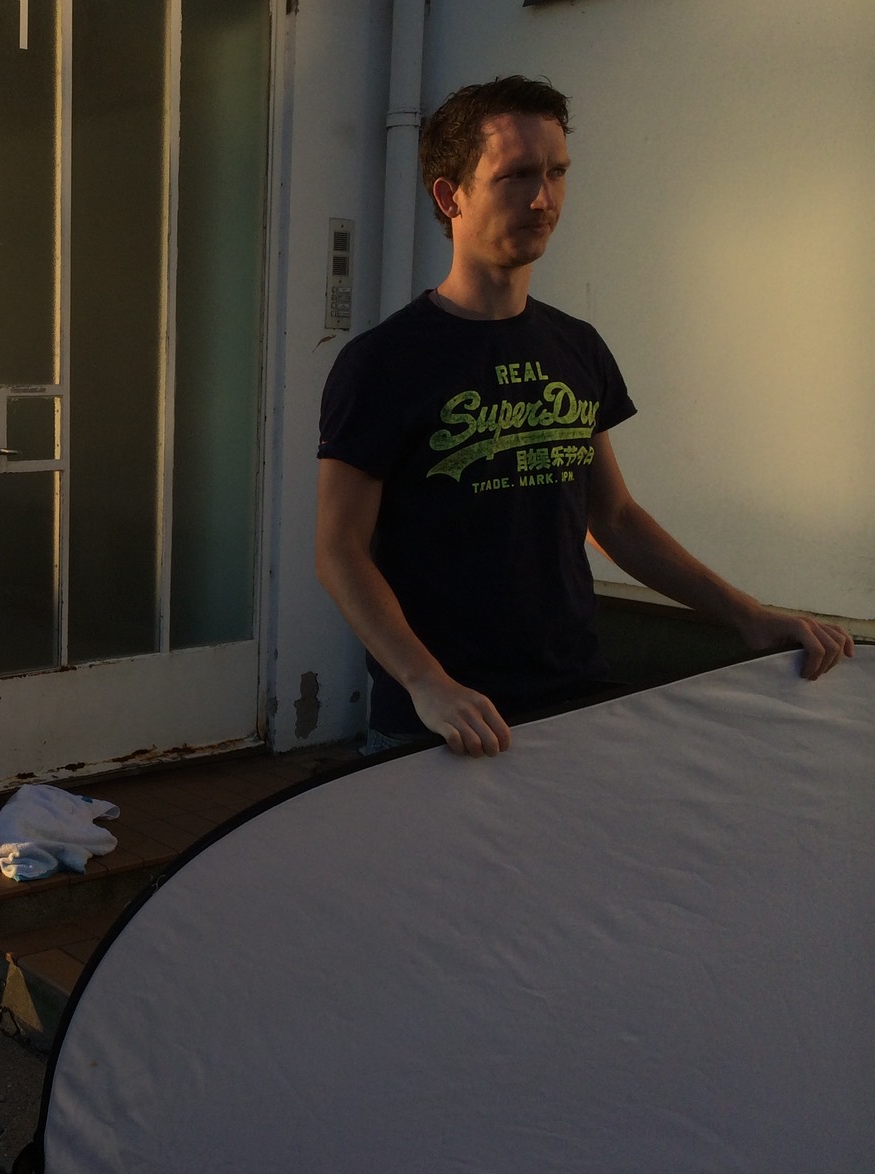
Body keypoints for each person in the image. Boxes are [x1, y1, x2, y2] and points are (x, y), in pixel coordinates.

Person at [316, 76, 851, 759]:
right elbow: (339, 549)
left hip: (571, 700)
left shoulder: (576, 347)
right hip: (439, 725)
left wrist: (749, 617)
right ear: (451, 197)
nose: (544, 198)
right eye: (516, 176)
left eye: (557, 173)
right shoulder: (382, 363)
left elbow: (615, 518)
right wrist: (427, 682)